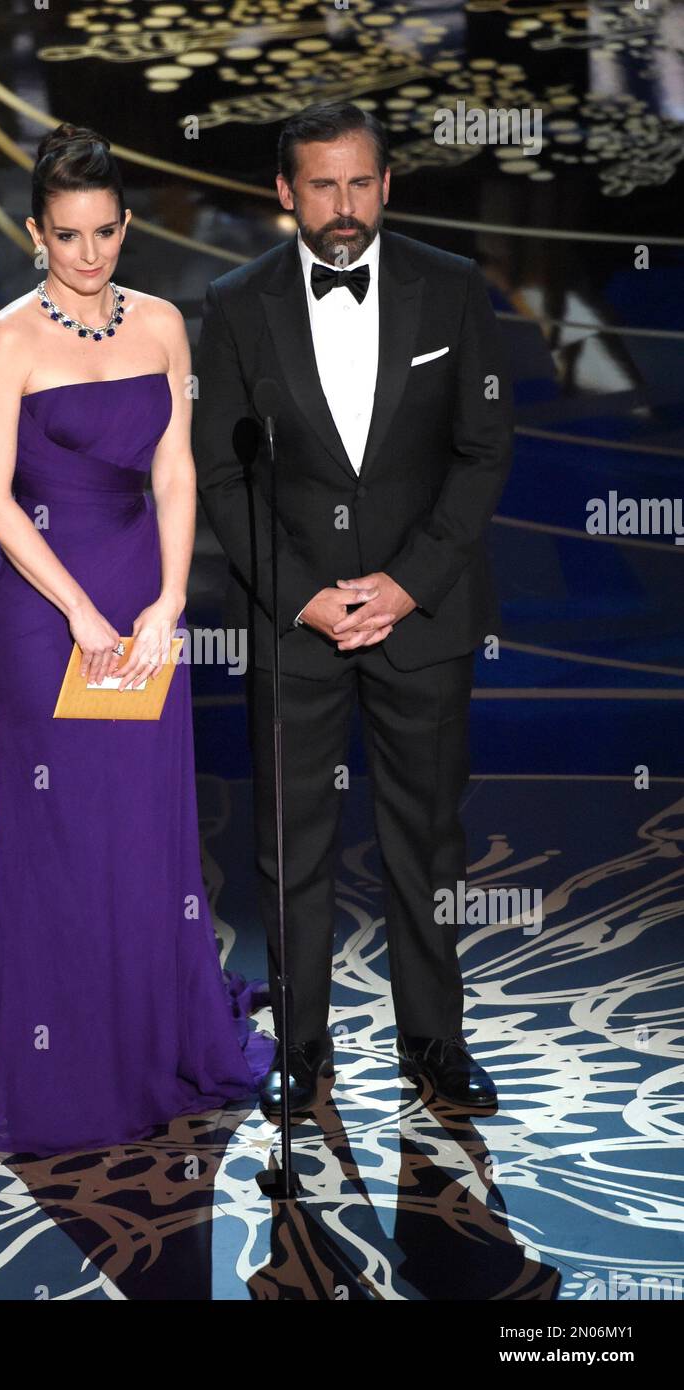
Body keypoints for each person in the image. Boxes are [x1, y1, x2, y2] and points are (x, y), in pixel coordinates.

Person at [0, 123, 275, 1158]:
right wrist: (79, 613)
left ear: (126, 225)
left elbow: (176, 469)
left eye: (103, 234)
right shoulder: (7, 338)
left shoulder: (166, 325)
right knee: (63, 833)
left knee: (144, 827)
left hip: (144, 600)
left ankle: (156, 1035)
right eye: (66, 236)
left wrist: (172, 598)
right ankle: (68, 1059)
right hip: (44, 613)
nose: (87, 256)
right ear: (34, 233)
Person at [192, 100, 515, 1118]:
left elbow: (481, 452)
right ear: (284, 192)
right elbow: (221, 473)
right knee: (292, 851)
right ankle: (299, 1050)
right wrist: (305, 600)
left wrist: (407, 582)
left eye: (361, 182)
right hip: (298, 628)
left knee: (428, 843)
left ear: (388, 184)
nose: (344, 206)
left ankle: (434, 1040)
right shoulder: (234, 304)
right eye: (322, 185)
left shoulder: (453, 289)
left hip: (423, 617)